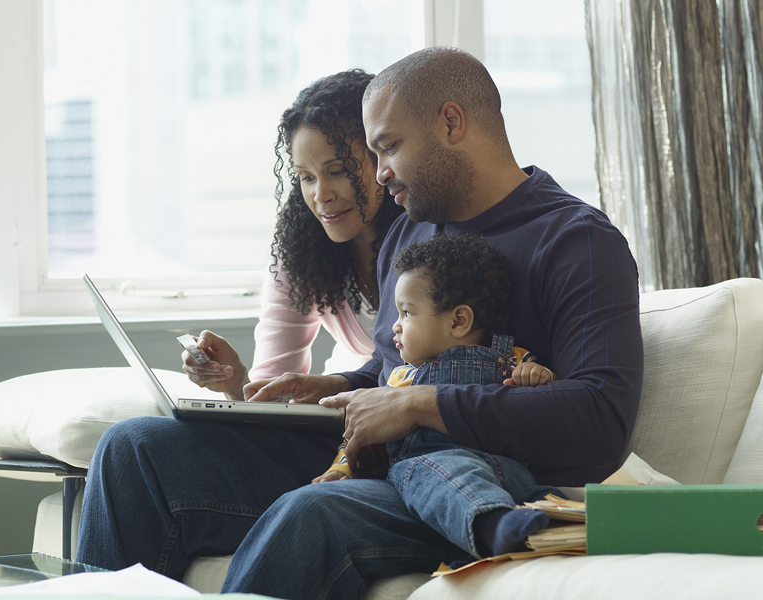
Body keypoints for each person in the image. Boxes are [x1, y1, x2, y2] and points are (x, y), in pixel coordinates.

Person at [78, 46, 643, 600]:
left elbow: (601, 421)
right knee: (134, 449)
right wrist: (337, 385)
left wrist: (418, 407)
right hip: (374, 460)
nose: (380, 174)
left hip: (477, 481)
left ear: (451, 123)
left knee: (313, 512)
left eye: (388, 147)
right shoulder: (410, 232)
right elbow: (393, 369)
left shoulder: (576, 241)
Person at [313, 233, 561, 561]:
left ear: (459, 321)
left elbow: (549, 401)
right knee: (421, 473)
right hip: (435, 473)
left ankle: (526, 523)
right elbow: (364, 437)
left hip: (503, 469)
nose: (394, 328)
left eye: (407, 313)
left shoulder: (511, 358)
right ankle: (500, 527)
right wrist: (343, 470)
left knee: (422, 472)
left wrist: (538, 376)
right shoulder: (401, 379)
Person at [181, 69, 403, 401]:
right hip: (338, 412)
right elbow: (269, 394)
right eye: (307, 177)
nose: (321, 195)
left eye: (338, 171)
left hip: (377, 407)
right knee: (133, 437)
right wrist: (234, 378)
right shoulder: (303, 249)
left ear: (382, 158)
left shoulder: (423, 234)